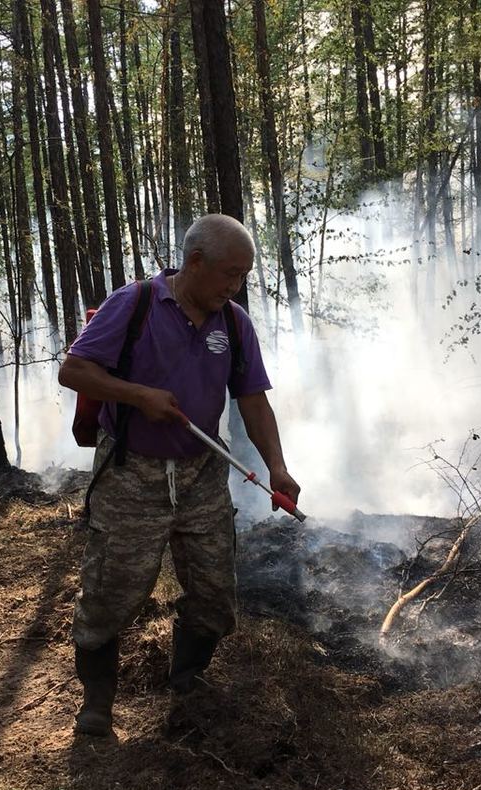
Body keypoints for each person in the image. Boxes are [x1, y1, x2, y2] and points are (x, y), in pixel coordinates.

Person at [58, 213, 300, 736]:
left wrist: (277, 468)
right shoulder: (136, 303)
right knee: (112, 591)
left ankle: (187, 683)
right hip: (131, 474)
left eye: (243, 277)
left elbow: (253, 400)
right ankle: (96, 704)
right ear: (195, 262)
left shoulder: (233, 323)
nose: (234, 287)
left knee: (214, 593)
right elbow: (73, 370)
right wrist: (139, 396)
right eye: (228, 275)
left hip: (202, 477)